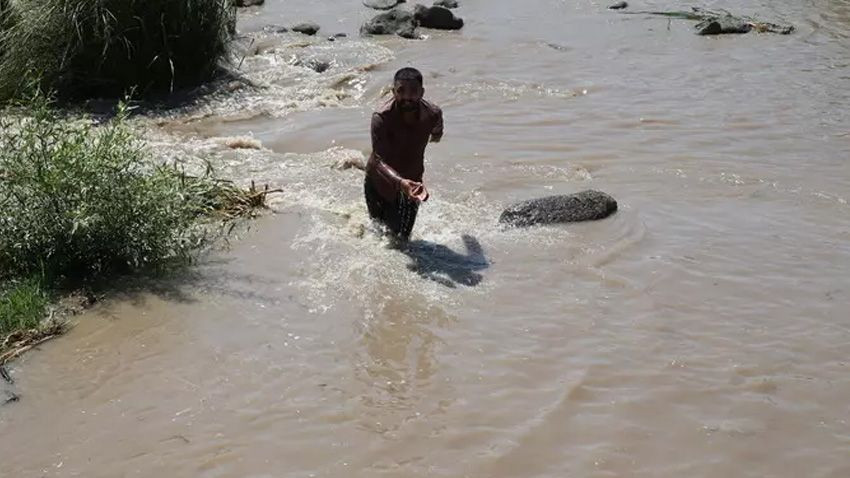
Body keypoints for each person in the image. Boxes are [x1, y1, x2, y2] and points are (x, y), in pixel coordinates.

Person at [365, 67, 443, 242]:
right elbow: (378, 160)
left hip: (413, 184)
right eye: (401, 91)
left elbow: (437, 134)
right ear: (393, 92)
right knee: (378, 234)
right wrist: (400, 183)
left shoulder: (433, 114)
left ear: (422, 92)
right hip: (378, 182)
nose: (407, 97)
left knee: (402, 241)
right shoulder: (381, 117)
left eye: (413, 91)